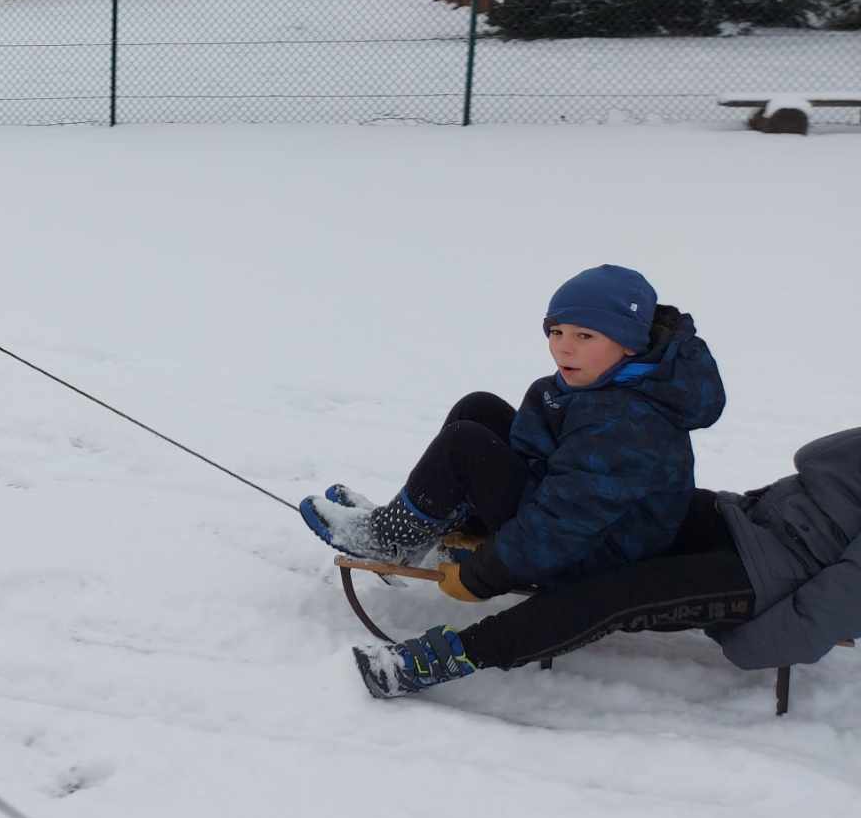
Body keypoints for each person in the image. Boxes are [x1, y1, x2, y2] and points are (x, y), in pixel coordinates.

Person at [297, 264, 727, 696]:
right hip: (578, 514)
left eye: (585, 337)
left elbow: (564, 522)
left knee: (465, 445)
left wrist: (488, 572)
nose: (564, 349)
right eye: (557, 332)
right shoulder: (608, 386)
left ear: (630, 346)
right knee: (479, 409)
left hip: (595, 550)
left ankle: (390, 539)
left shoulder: (627, 423)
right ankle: (429, 523)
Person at [351, 428, 861, 698]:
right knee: (622, 507)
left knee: (616, 593)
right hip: (742, 518)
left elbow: (847, 593)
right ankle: (491, 543)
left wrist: (753, 637)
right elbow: (812, 464)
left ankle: (450, 657)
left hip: (765, 577)